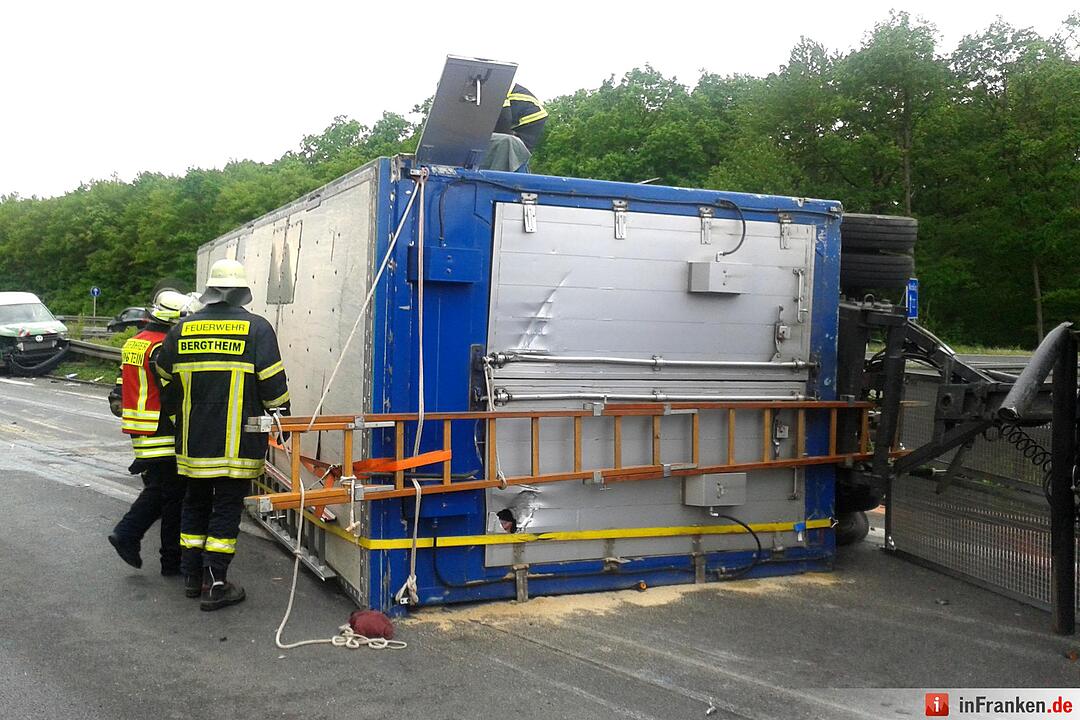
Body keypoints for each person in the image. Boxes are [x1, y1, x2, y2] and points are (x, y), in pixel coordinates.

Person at [156, 259, 290, 611]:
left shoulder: (180, 330)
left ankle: (191, 578)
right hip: (238, 444)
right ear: (241, 292)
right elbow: (273, 382)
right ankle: (216, 582)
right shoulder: (257, 329)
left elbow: (166, 380)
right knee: (226, 509)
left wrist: (177, 419)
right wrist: (281, 416)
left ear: (211, 291)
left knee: (195, 503)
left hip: (193, 442)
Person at [107, 290, 200, 575]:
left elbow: (122, 384)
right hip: (163, 428)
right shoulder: (162, 347)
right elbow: (173, 390)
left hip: (141, 426)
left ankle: (163, 556)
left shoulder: (135, 343)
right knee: (168, 493)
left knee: (166, 492)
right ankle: (132, 536)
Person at [493, 83, 548, 152]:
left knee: (507, 149)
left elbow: (504, 120)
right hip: (531, 115)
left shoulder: (496, 86)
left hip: (532, 118)